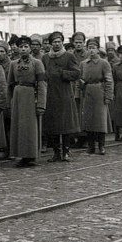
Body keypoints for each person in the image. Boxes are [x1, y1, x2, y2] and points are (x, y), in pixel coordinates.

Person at [41, 31, 81, 162]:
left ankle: (66, 151)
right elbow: (42, 74)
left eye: (59, 41)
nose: (56, 44)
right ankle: (56, 152)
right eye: (54, 42)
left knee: (65, 124)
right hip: (50, 94)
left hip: (64, 94)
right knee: (52, 125)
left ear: (62, 42)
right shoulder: (46, 57)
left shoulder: (69, 56)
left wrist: (63, 73)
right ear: (50, 44)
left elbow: (76, 73)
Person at [8, 36, 47, 167]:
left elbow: (42, 84)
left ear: (30, 48)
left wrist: (41, 103)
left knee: (30, 127)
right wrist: (10, 101)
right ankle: (20, 154)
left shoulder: (37, 63)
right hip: (18, 96)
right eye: (21, 47)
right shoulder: (13, 64)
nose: (23, 49)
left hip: (31, 96)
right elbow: (10, 84)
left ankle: (31, 155)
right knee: (19, 126)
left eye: (26, 46)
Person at [78, 37, 113, 155]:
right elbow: (80, 79)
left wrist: (108, 96)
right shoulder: (83, 64)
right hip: (87, 93)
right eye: (89, 48)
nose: (91, 51)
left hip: (100, 92)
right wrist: (81, 88)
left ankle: (101, 145)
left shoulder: (104, 63)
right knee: (88, 120)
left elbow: (109, 80)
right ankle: (91, 145)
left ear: (98, 49)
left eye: (93, 48)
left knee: (100, 120)